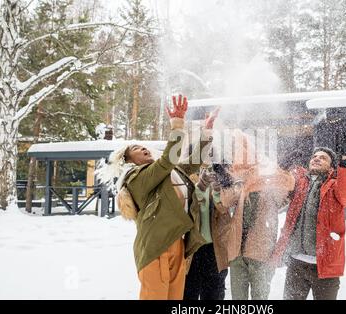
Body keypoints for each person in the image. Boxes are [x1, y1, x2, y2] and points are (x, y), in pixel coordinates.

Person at [101, 95, 219, 300]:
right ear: (128, 160)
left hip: (178, 244)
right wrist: (177, 123)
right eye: (136, 149)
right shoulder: (135, 178)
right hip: (154, 247)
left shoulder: (167, 172)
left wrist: (207, 131)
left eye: (143, 146)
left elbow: (194, 161)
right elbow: (168, 159)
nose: (143, 148)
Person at [270, 142, 346, 300]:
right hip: (296, 263)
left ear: (331, 167)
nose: (317, 159)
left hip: (324, 266)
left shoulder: (335, 187)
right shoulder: (298, 182)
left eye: (323, 158)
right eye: (314, 156)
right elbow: (280, 187)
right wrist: (283, 166)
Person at [215, 139, 295, 300]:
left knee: (260, 297)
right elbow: (226, 202)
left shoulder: (272, 181)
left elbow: (285, 192)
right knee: (238, 298)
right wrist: (225, 181)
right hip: (237, 251)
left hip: (261, 252)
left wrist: (283, 170)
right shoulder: (242, 182)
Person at [183, 165, 231, 300]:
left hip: (215, 250)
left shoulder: (222, 180)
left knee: (214, 294)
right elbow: (187, 208)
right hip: (192, 249)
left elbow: (225, 209)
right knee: (188, 293)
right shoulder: (187, 180)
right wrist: (199, 187)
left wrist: (217, 192)